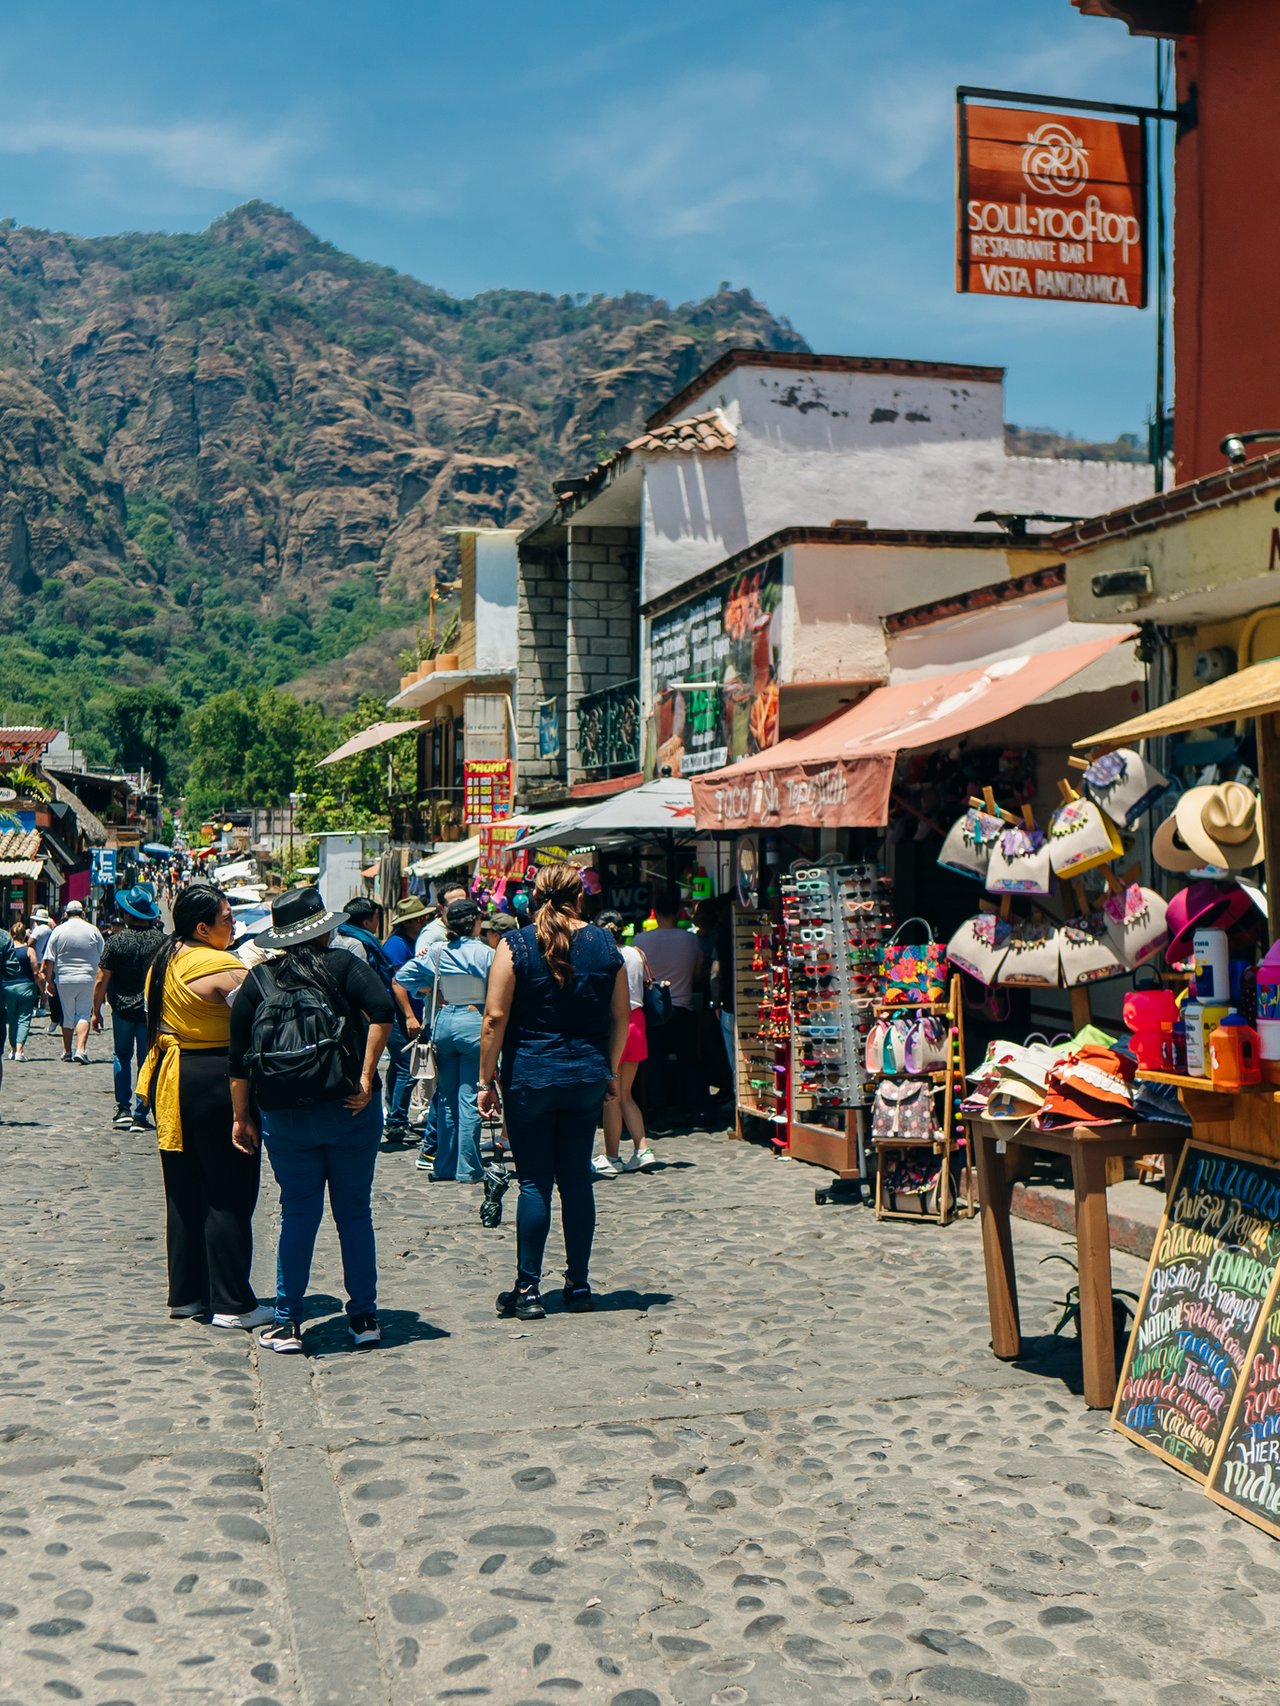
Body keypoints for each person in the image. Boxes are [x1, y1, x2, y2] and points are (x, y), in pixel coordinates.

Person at [228, 886, 394, 1355]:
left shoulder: (258, 982)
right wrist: (365, 1077)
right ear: (323, 929)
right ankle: (363, 1317)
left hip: (284, 1116)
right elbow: (383, 1013)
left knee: (298, 1214)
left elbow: (238, 1061)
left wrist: (242, 1118)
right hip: (350, 1110)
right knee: (354, 1213)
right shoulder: (345, 966)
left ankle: (286, 1322)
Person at [478, 863, 630, 1320]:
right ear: (580, 895)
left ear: (531, 896)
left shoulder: (516, 944)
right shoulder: (605, 943)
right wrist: (610, 1070)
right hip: (585, 1075)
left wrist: (486, 1080)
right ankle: (578, 1284)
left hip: (531, 1076)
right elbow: (621, 1015)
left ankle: (527, 1290)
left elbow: (494, 1017)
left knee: (536, 1182)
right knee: (577, 1179)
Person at [136, 885, 270, 1330]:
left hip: (173, 1078)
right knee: (228, 1191)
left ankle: (188, 1293)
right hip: (217, 1079)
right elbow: (259, 1016)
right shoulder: (219, 965)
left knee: (183, 1191)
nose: (234, 926)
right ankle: (231, 1301)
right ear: (202, 927)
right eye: (228, 919)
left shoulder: (165, 960)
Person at [398, 898, 493, 1182]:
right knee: (469, 1097)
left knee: (447, 1098)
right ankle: (469, 1168)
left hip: (445, 1020)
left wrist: (428, 991)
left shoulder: (437, 951)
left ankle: (444, 1165)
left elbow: (403, 977)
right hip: (474, 1021)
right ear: (476, 922)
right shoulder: (487, 954)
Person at [393, 883, 468, 1167]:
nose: (462, 907)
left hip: (461, 1023)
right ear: (441, 909)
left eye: (465, 901)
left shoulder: (464, 938)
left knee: (454, 1088)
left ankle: (446, 1148)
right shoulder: (434, 936)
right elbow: (407, 979)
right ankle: (433, 1147)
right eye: (455, 903)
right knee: (444, 1089)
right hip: (441, 1022)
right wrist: (441, 992)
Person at [92, 885, 167, 1132]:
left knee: (121, 1056)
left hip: (122, 1009)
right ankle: (140, 1112)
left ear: (126, 914)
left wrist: (95, 1011)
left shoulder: (115, 942)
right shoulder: (162, 942)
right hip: (150, 1011)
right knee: (147, 1060)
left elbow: (102, 980)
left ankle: (123, 1107)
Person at [591, 911, 656, 1175]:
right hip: (637, 1022)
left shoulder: (602, 956)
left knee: (611, 1096)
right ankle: (642, 1148)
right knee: (626, 1093)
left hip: (614, 1024)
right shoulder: (637, 953)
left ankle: (612, 1156)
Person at [639, 892, 705, 1129]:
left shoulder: (640, 941)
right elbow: (698, 973)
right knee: (690, 1062)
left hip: (654, 1010)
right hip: (682, 1007)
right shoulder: (690, 940)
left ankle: (659, 1110)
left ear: (654, 913)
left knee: (653, 1063)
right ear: (680, 912)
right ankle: (696, 1107)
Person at [379, 896, 431, 1144]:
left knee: (399, 1067)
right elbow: (397, 983)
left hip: (403, 1015)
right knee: (408, 1069)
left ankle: (395, 1118)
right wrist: (410, 1016)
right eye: (421, 918)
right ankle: (397, 1121)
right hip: (400, 1017)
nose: (425, 921)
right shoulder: (397, 945)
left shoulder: (407, 942)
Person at [41, 899, 105, 1064]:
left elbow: (49, 958)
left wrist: (49, 981)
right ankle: (81, 1049)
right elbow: (104, 956)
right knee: (84, 1013)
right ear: (83, 913)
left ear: (66, 914)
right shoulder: (93, 930)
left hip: (64, 978)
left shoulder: (59, 931)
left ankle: (67, 1050)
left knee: (67, 1014)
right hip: (87, 978)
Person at [2, 919, 40, 1072]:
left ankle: (11, 1050)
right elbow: (36, 972)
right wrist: (42, 991)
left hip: (8, 987)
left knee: (12, 1019)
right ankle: (19, 1050)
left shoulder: (7, 950)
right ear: (25, 935)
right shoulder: (29, 951)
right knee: (24, 1019)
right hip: (26, 987)